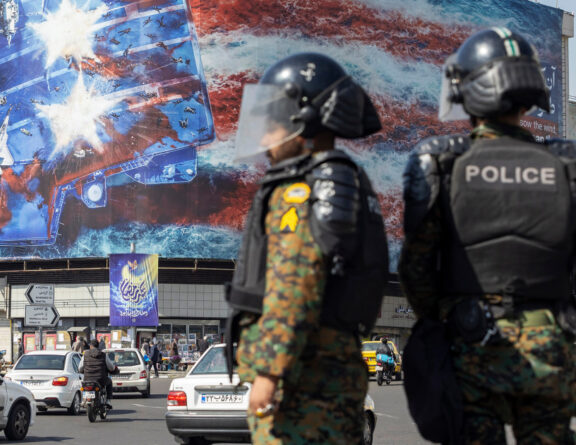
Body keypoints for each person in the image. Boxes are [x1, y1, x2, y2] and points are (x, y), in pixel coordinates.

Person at [400, 28, 576, 444]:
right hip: (551, 344)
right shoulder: (567, 163)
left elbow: (417, 268)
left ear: (468, 91)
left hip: (471, 343)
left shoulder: (440, 160)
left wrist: (440, 317)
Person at [226, 52, 388, 444]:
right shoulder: (345, 180)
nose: (265, 139)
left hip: (300, 381)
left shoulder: (301, 189)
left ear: (304, 121)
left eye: (272, 124)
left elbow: (295, 283)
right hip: (332, 372)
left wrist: (269, 372)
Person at [79, 339, 118, 408]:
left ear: (90, 346)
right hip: (101, 380)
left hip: (87, 379)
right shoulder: (103, 355)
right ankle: (108, 401)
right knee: (109, 382)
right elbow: (111, 367)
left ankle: (83, 400)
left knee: (83, 386)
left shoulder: (85, 355)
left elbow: (80, 368)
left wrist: (84, 370)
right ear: (98, 346)